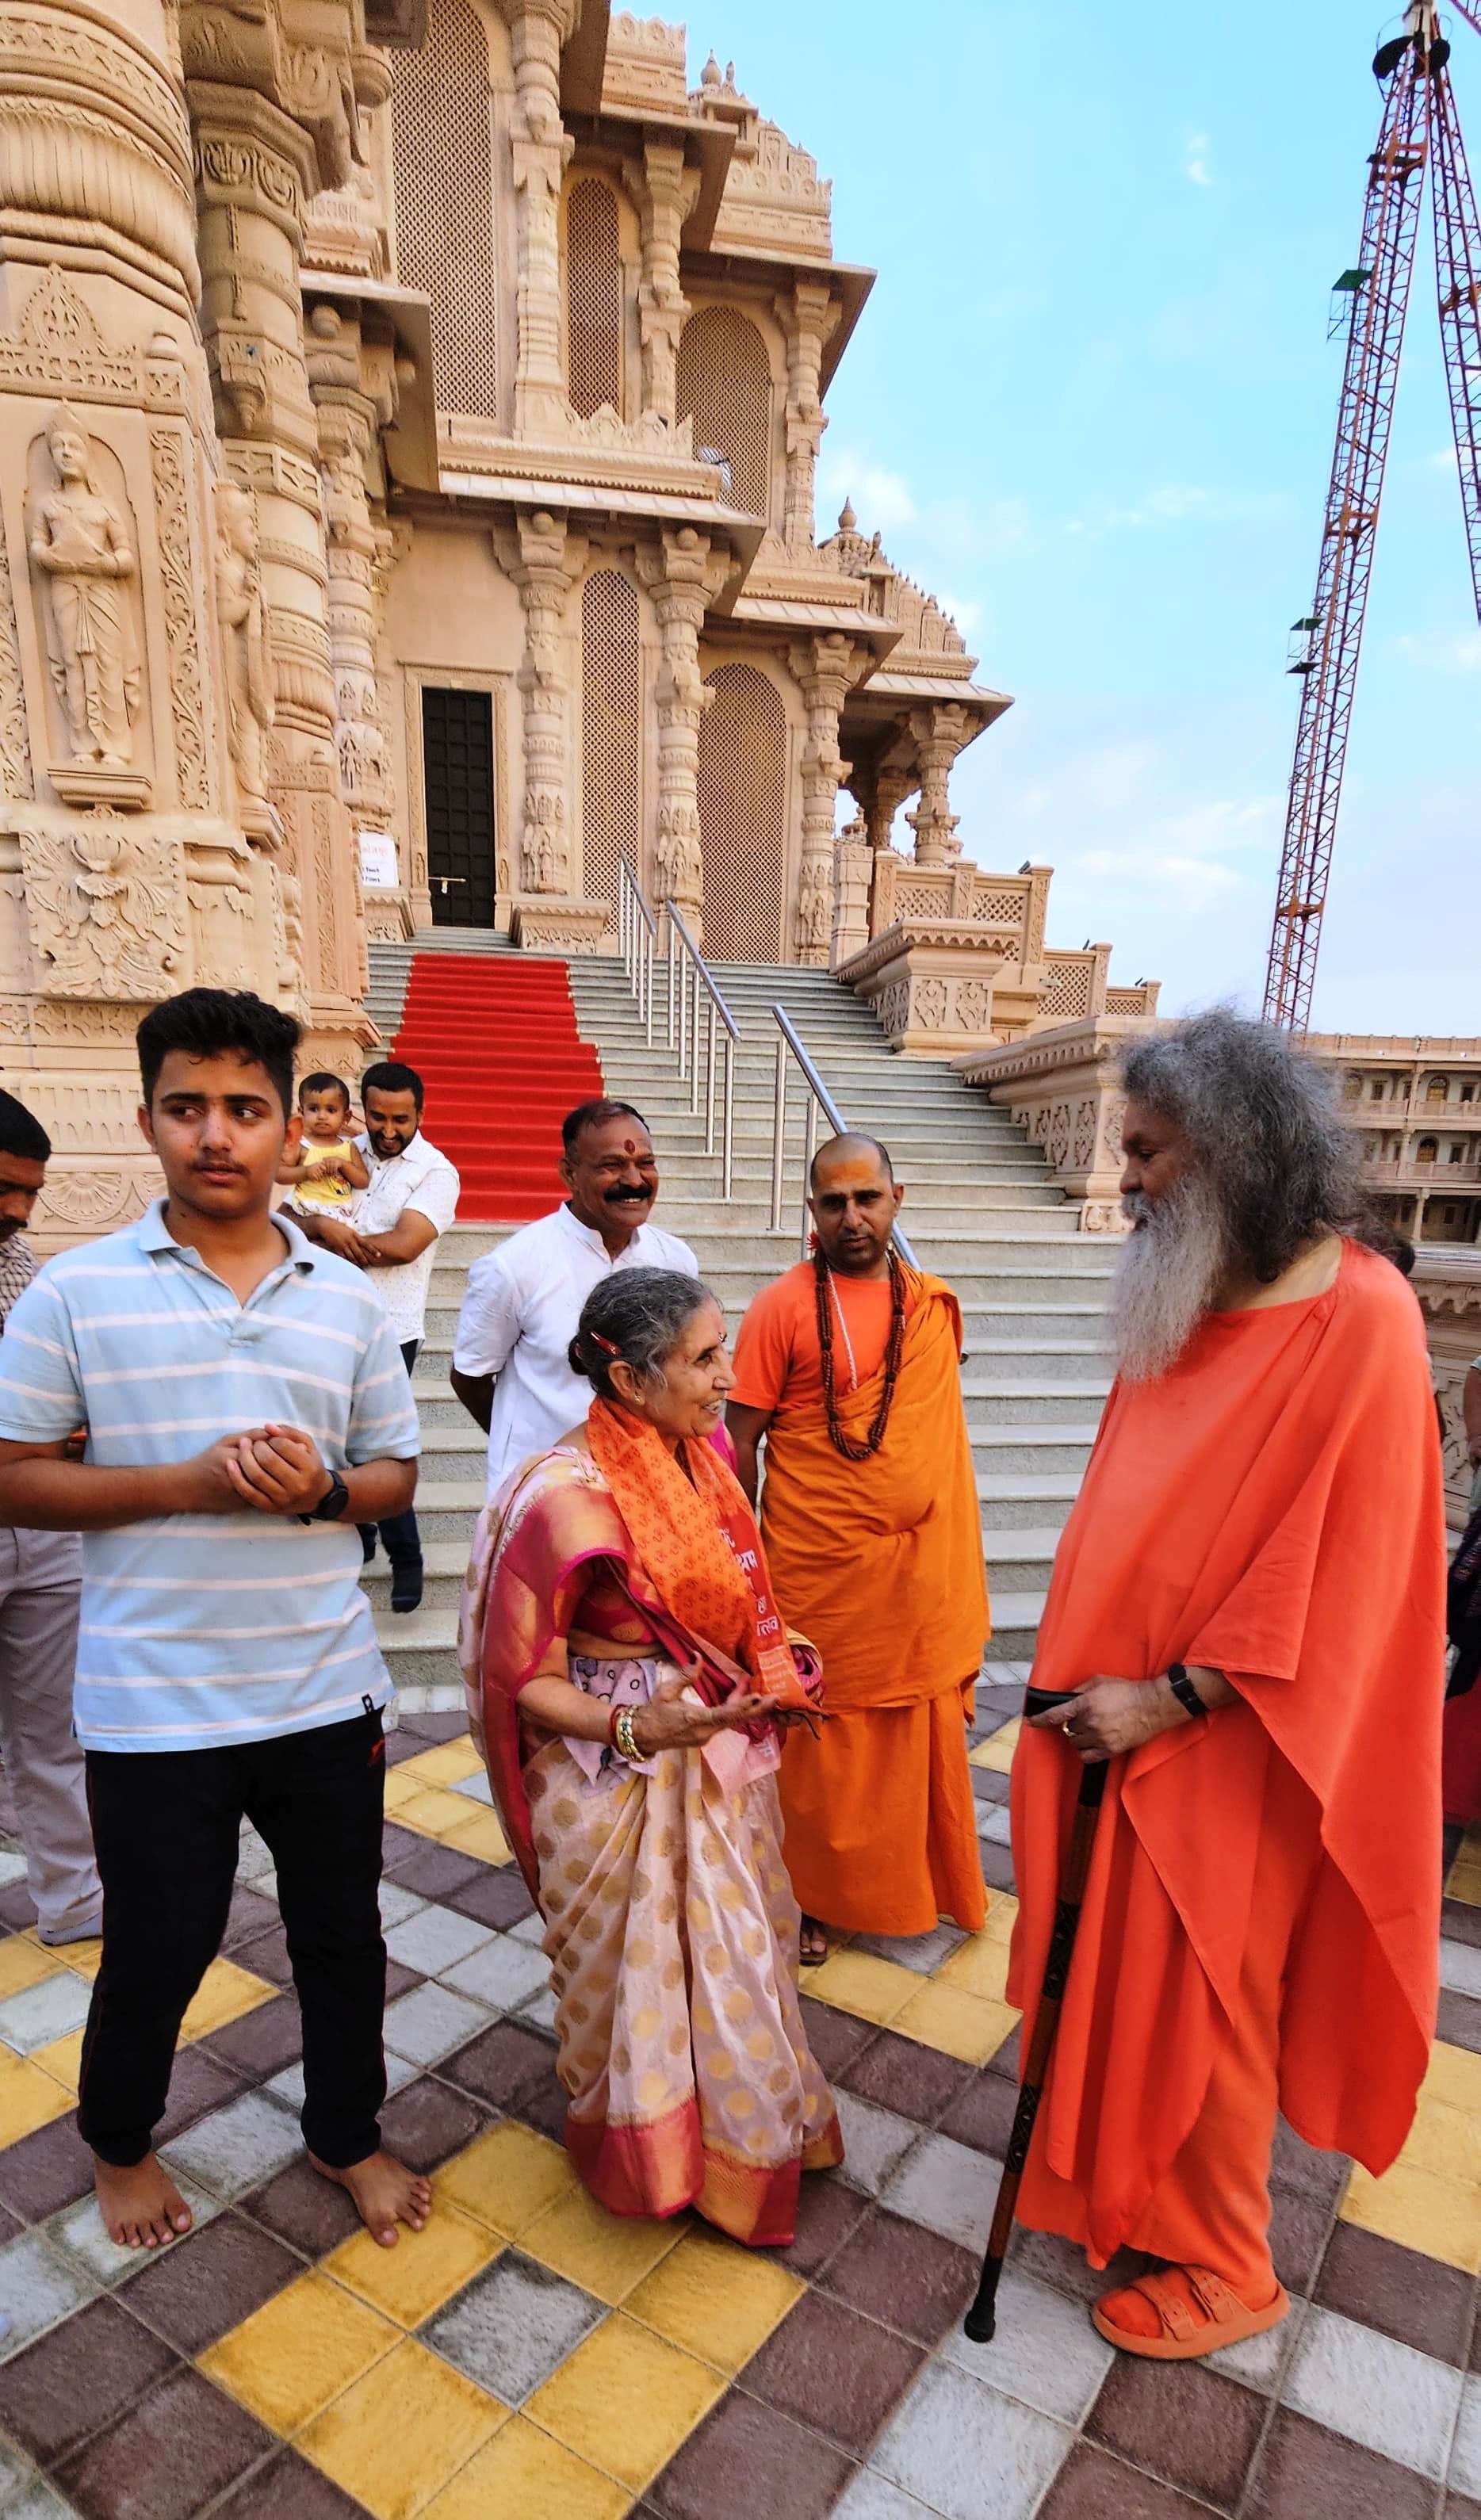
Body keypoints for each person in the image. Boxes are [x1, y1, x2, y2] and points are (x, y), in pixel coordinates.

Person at [1010, 1010, 1445, 2361]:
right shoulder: (1186, 1285)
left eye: (1145, 1151)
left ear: (1233, 1147)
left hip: (1233, 1735)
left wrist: (1173, 1697)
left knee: (1211, 1997)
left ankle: (1228, 2263)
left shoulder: (1358, 1313)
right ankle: (1122, 2185)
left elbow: (1350, 1574)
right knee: (1115, 1973)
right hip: (1108, 1715)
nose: (1125, 1175)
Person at [0, 989, 429, 2255]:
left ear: (290, 1126)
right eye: (187, 1107)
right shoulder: (73, 1294)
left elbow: (395, 1471)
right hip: (151, 1702)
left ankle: (343, 2129)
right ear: (147, 1120)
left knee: (342, 1934)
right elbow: (15, 1471)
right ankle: (120, 2140)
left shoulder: (345, 1300)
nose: (217, 1135)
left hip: (320, 1691)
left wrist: (327, 1493)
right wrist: (186, 1479)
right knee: (159, 1948)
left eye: (246, 1107)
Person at [459, 1267, 842, 2243]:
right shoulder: (563, 1498)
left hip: (711, 1757)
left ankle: (740, 2150)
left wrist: (775, 1665)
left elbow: (732, 1605)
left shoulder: (699, 1461)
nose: (726, 1377)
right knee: (625, 1977)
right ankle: (644, 2152)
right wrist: (639, 1728)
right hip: (612, 1773)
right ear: (629, 1380)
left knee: (736, 1957)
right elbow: (526, 1681)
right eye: (705, 1357)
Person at [728, 1133, 989, 1960]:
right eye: (832, 1202)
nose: (851, 1217)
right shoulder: (779, 1307)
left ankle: (917, 1877)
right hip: (815, 1567)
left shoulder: (932, 1305)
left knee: (913, 1735)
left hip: (916, 1577)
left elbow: (933, 1439)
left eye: (865, 1198)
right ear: (811, 1211)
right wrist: (740, 1564)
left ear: (895, 1198)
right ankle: (807, 1896)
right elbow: (737, 1443)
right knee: (817, 1743)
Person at [451, 1099, 697, 1497]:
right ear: (569, 1174)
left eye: (645, 1163)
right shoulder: (513, 1267)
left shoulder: (675, 1262)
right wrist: (533, 1452)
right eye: (611, 1166)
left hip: (649, 1489)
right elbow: (470, 1377)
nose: (634, 1180)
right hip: (545, 1497)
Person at [299, 1060, 459, 1613]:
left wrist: (332, 1237)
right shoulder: (335, 1149)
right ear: (361, 1109)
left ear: (420, 1113)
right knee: (331, 1437)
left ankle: (405, 1556)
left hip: (391, 1327)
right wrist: (317, 1227)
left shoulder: (436, 1171)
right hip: (320, 1317)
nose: (388, 1130)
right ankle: (360, 1528)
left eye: (401, 1119)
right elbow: (287, 1219)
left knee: (382, 1445)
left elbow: (405, 1245)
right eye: (377, 1116)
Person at [0, 1089, 101, 1947]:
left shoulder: (21, 1264)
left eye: (29, 1191)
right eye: (3, 1186)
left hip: (41, 1525)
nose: (17, 1209)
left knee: (55, 1727)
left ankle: (74, 1901)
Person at [277, 1071, 369, 1217]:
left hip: (340, 1214)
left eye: (331, 1110)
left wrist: (344, 1165)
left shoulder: (348, 1146)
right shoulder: (302, 1145)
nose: (322, 1116)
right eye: (313, 1109)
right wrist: (305, 1172)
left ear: (346, 1117)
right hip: (305, 1211)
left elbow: (363, 1181)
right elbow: (279, 1174)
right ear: (302, 1112)